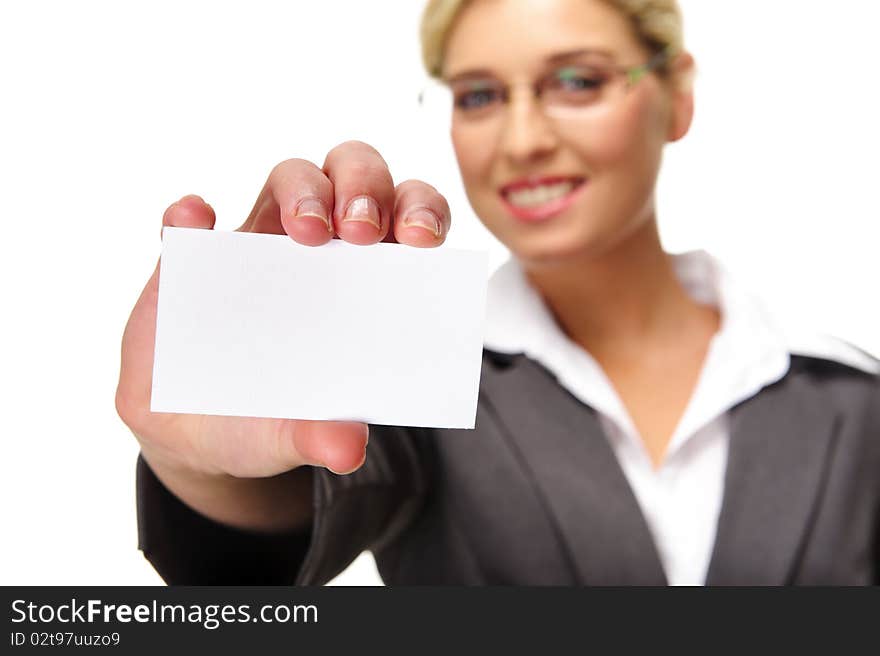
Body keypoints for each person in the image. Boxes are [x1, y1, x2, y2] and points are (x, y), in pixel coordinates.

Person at [116, 0, 880, 585]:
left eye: (577, 82)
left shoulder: (853, 400)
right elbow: (286, 520)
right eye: (479, 96)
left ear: (677, 95)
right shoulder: (410, 373)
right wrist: (200, 468)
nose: (522, 141)